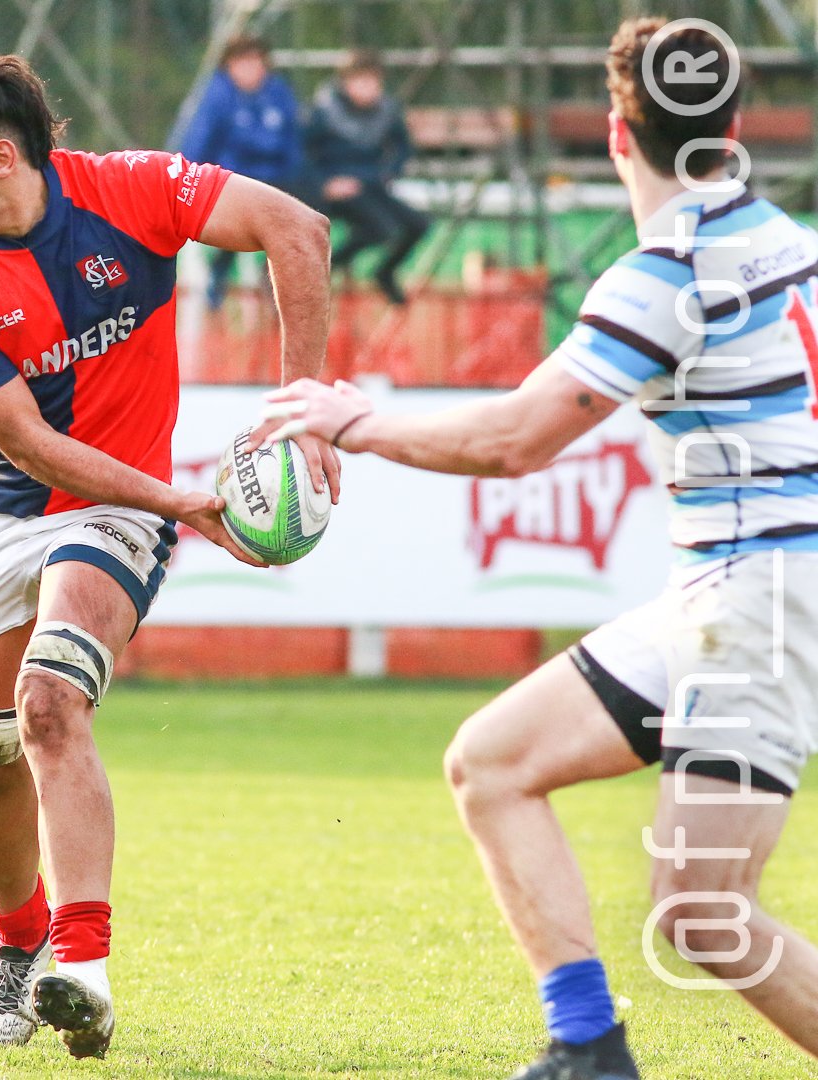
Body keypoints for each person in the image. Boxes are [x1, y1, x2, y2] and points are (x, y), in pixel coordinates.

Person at [259, 17, 818, 1080]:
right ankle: (586, 1047)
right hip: (732, 594)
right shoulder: (790, 241)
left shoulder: (668, 272)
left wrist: (355, 422)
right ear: (734, 129)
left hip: (763, 595)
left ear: (616, 133)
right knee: (493, 762)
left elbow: (517, 440)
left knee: (705, 915)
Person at [0, 43, 338, 1060]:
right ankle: (18, 942)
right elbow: (33, 446)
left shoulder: (131, 192)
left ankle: (81, 971)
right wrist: (188, 501)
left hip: (112, 513)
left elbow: (295, 228)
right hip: (0, 512)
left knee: (51, 702)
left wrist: (305, 413)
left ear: (2, 158)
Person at [178, 34, 304, 309]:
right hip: (231, 181)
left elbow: (293, 144)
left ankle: (277, 282)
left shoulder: (278, 93)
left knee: (304, 207)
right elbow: (198, 144)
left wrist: (296, 178)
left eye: (255, 62)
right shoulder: (218, 96)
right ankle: (218, 281)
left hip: (275, 178)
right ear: (229, 65)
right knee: (244, 216)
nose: (249, 69)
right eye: (242, 62)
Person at [303, 49, 429, 306]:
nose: (368, 88)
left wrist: (387, 173)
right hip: (336, 189)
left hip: (371, 185)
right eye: (361, 80)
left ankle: (385, 273)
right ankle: (325, 268)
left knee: (419, 224)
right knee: (382, 229)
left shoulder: (386, 111)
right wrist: (324, 183)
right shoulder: (323, 111)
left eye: (373, 81)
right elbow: (302, 153)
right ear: (345, 82)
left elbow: (402, 148)